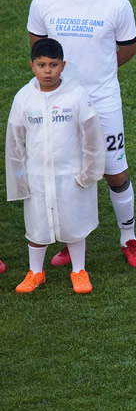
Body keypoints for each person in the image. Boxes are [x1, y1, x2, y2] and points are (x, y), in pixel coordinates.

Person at [27, 0, 136, 269]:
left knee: (115, 173)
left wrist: (99, 72)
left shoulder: (115, 4)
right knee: (69, 174)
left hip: (102, 102)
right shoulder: (44, 1)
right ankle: (72, 241)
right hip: (59, 103)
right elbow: (40, 48)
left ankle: (129, 237)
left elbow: (126, 49)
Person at [6, 38, 104, 294]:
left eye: (53, 65)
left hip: (70, 175)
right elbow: (15, 141)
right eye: (41, 65)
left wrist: (88, 173)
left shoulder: (76, 95)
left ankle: (79, 271)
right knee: (37, 226)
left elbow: (92, 136)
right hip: (37, 176)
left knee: (74, 223)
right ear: (32, 66)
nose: (47, 71)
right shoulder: (24, 98)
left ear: (63, 65)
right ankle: (35, 272)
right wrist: (19, 179)